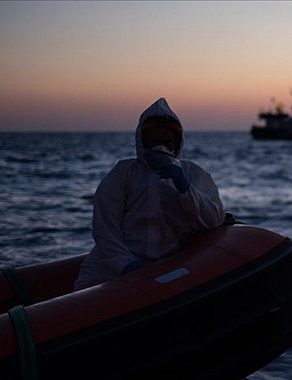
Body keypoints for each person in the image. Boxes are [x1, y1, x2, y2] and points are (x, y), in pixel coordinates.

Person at [73, 97, 225, 291]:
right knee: (83, 302)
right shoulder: (124, 173)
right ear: (142, 142)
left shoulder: (194, 175)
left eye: (166, 142)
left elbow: (214, 219)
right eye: (154, 142)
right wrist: (126, 264)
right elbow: (105, 228)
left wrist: (185, 189)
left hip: (166, 265)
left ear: (176, 144)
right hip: (111, 264)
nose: (160, 148)